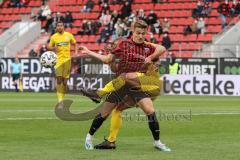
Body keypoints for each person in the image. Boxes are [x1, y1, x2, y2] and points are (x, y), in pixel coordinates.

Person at [80, 20, 171, 151]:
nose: (140, 36)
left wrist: (151, 57)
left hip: (136, 83)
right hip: (122, 85)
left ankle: (157, 142)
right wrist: (89, 52)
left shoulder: (147, 46)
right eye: (138, 33)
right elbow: (107, 59)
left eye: (143, 33)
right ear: (133, 31)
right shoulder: (123, 44)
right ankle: (98, 139)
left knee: (150, 110)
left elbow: (162, 48)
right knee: (110, 111)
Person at [48, 21, 78, 108]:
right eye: (58, 26)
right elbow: (49, 46)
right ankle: (60, 101)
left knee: (65, 82)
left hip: (67, 60)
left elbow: (75, 44)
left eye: (61, 25)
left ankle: (62, 98)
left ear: (63, 26)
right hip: (58, 61)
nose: (60, 27)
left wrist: (76, 52)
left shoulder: (68, 35)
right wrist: (54, 47)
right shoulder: (54, 37)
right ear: (56, 27)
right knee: (59, 80)